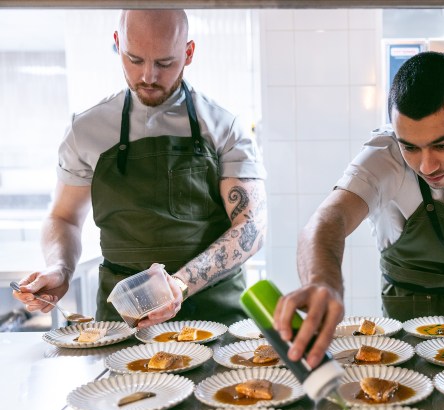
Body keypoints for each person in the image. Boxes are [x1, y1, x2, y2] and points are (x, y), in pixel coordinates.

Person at [275, 51, 444, 367]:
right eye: (410, 146)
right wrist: (323, 282)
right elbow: (328, 219)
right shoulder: (384, 156)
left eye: (443, 144)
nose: (426, 165)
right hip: (405, 318)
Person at [12, 9, 266, 328]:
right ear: (118, 44)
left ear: (188, 53)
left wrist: (178, 285)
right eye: (134, 59)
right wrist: (60, 269)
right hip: (123, 325)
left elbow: (251, 228)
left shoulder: (223, 127)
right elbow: (63, 217)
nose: (148, 76)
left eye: (164, 63)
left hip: (215, 320)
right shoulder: (86, 130)